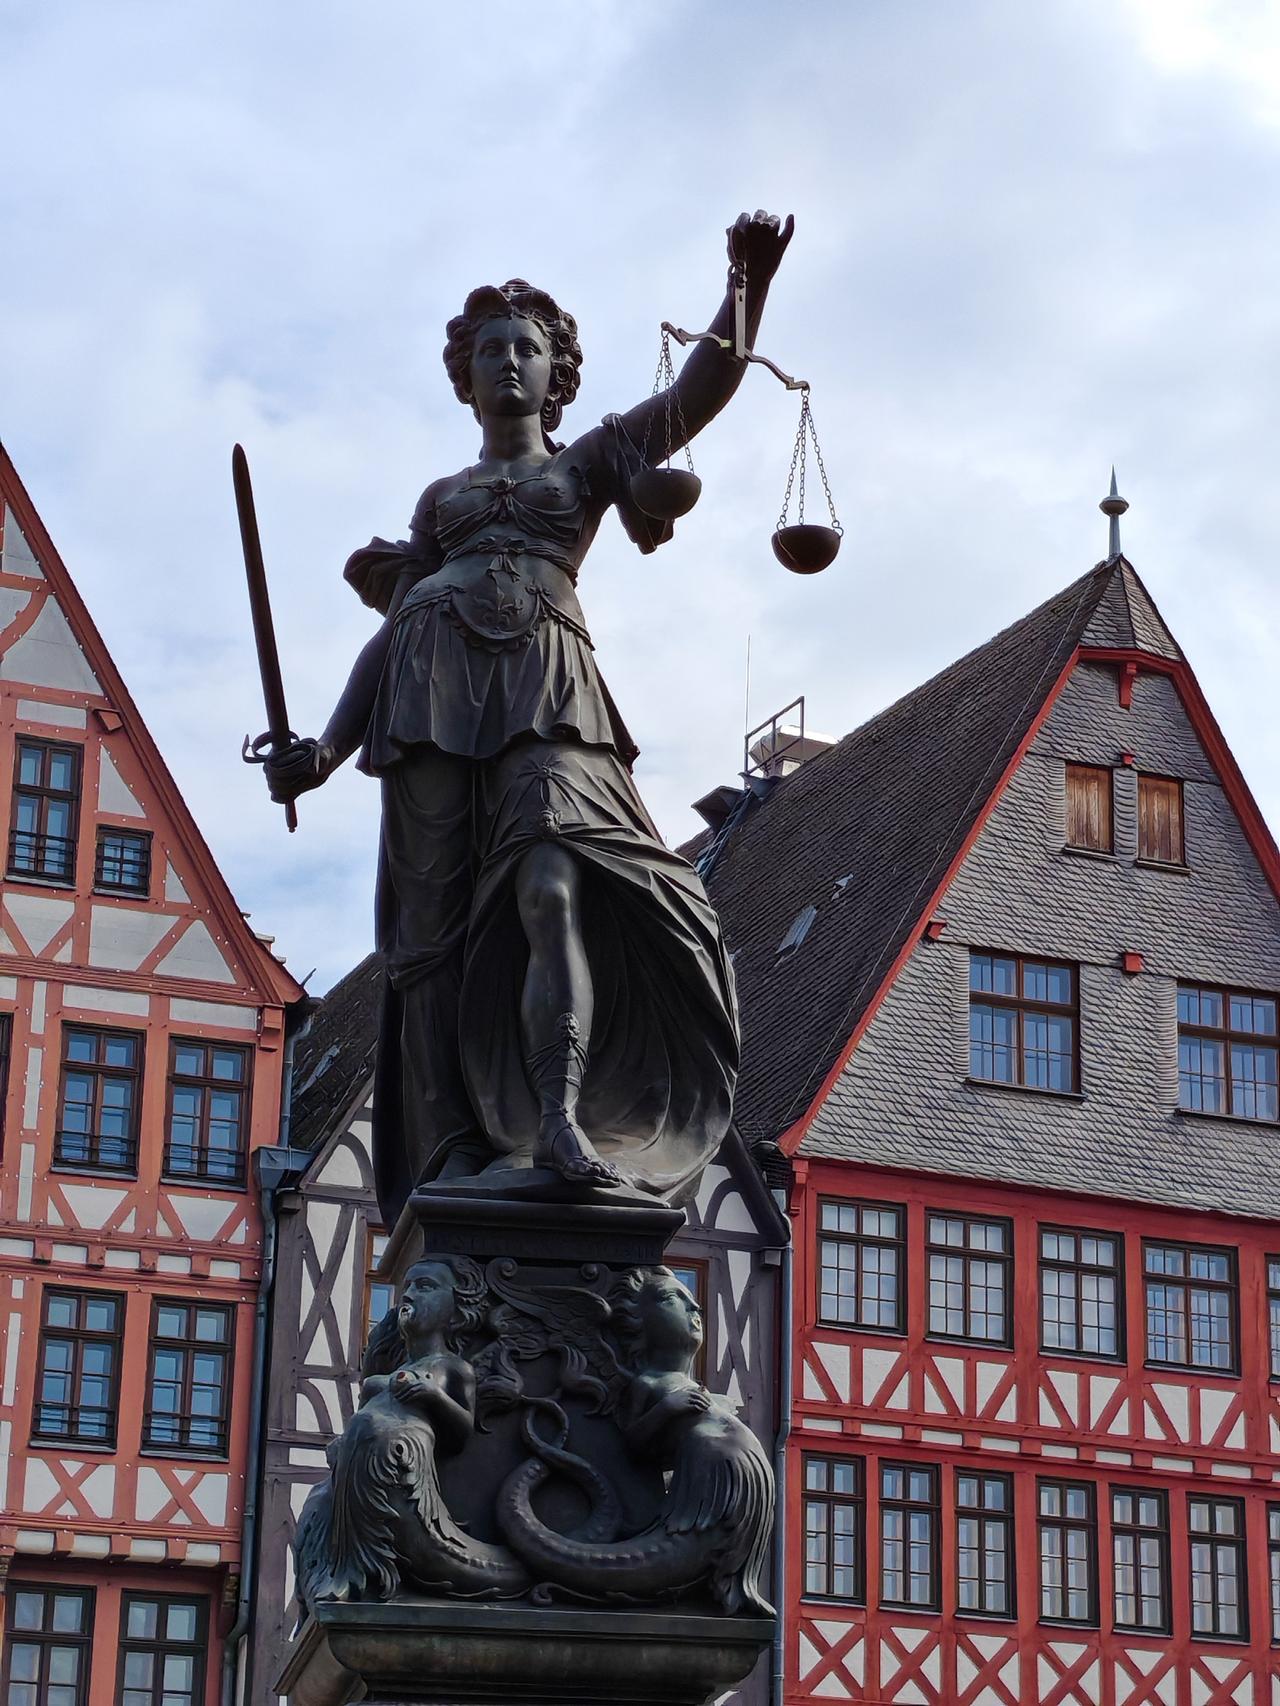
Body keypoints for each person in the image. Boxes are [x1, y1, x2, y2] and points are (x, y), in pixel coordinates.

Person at [265, 212, 794, 1226]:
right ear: (464, 377)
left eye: (526, 347)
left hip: (549, 696)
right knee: (429, 941)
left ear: (557, 375)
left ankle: (558, 1116)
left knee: (555, 884)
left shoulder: (586, 463)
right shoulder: (441, 499)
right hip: (427, 701)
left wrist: (746, 285)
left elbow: (701, 392)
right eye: (490, 350)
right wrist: (325, 749)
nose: (508, 360)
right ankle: (449, 1147)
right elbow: (396, 630)